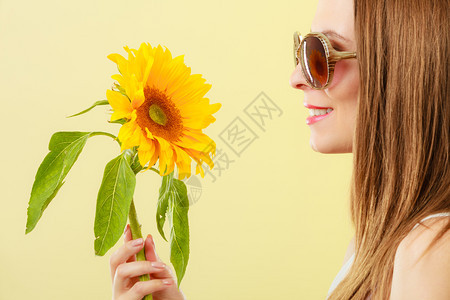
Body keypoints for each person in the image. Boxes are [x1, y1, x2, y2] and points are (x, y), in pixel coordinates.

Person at [109, 0, 449, 298]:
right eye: (303, 50)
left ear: (403, 70)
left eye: (322, 54)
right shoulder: (378, 242)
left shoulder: (430, 253)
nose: (296, 76)